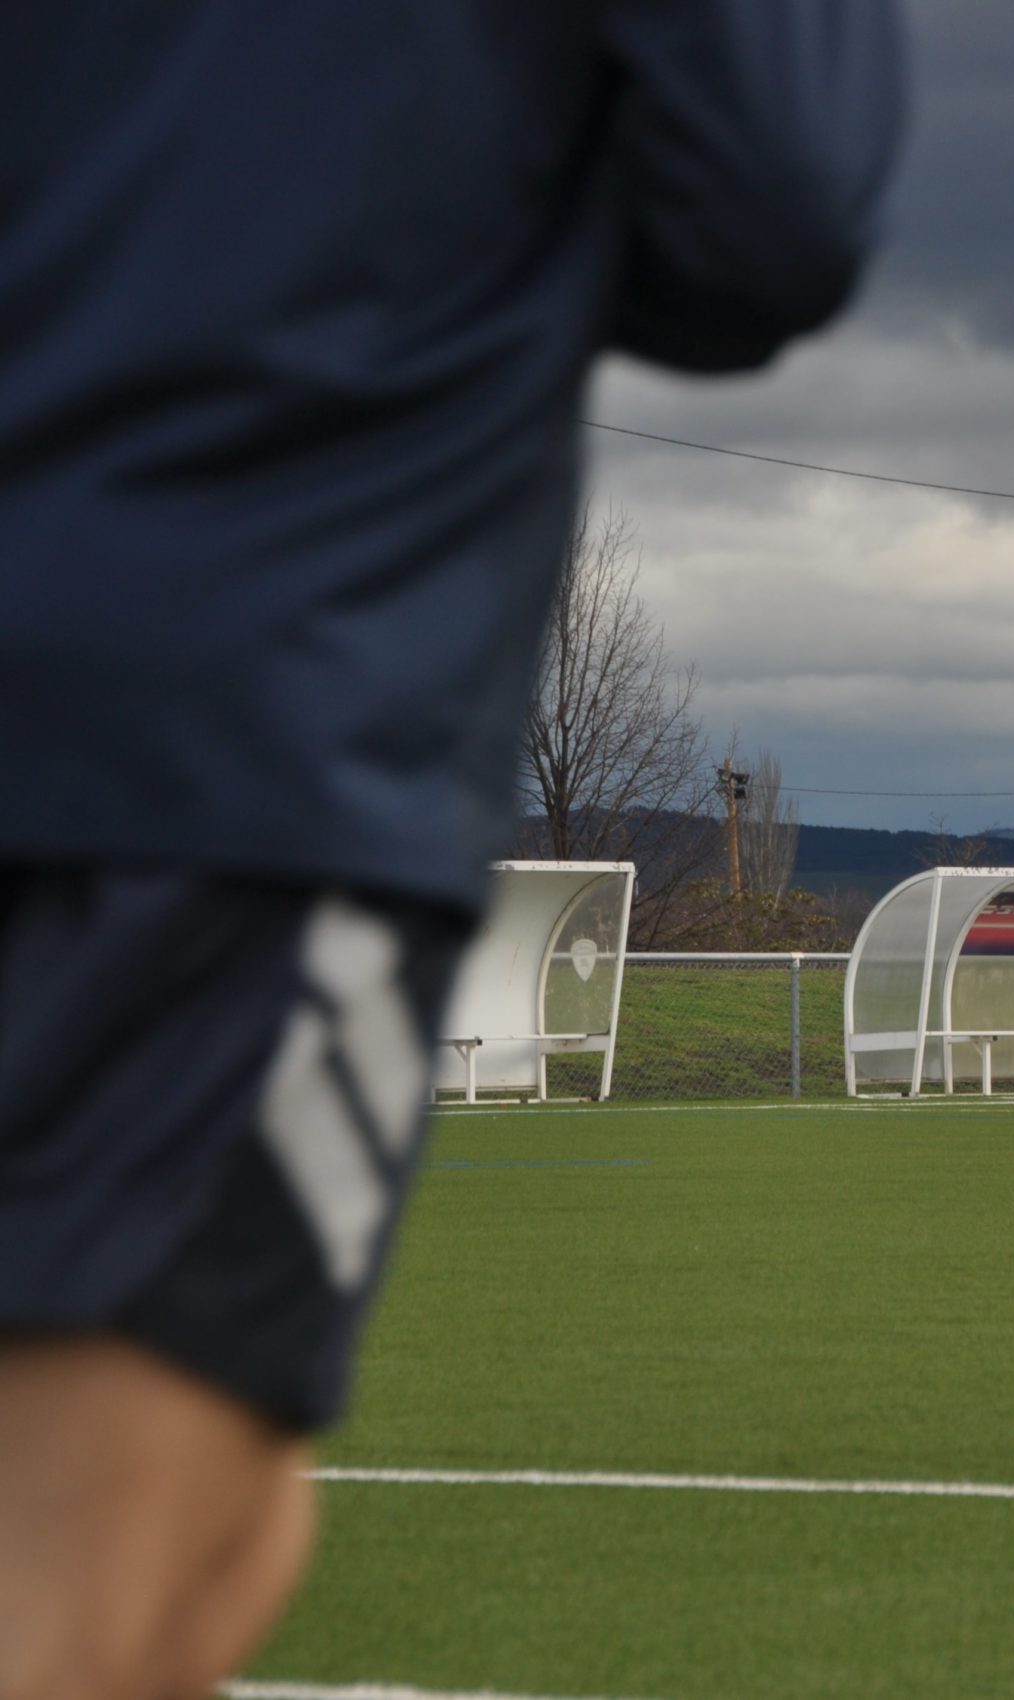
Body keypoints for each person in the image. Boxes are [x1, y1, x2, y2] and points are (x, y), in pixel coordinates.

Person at [0, 6, 905, 1695]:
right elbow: (765, 218)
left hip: (168, 698)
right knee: (100, 1586)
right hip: (226, 726)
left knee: (217, 1535)